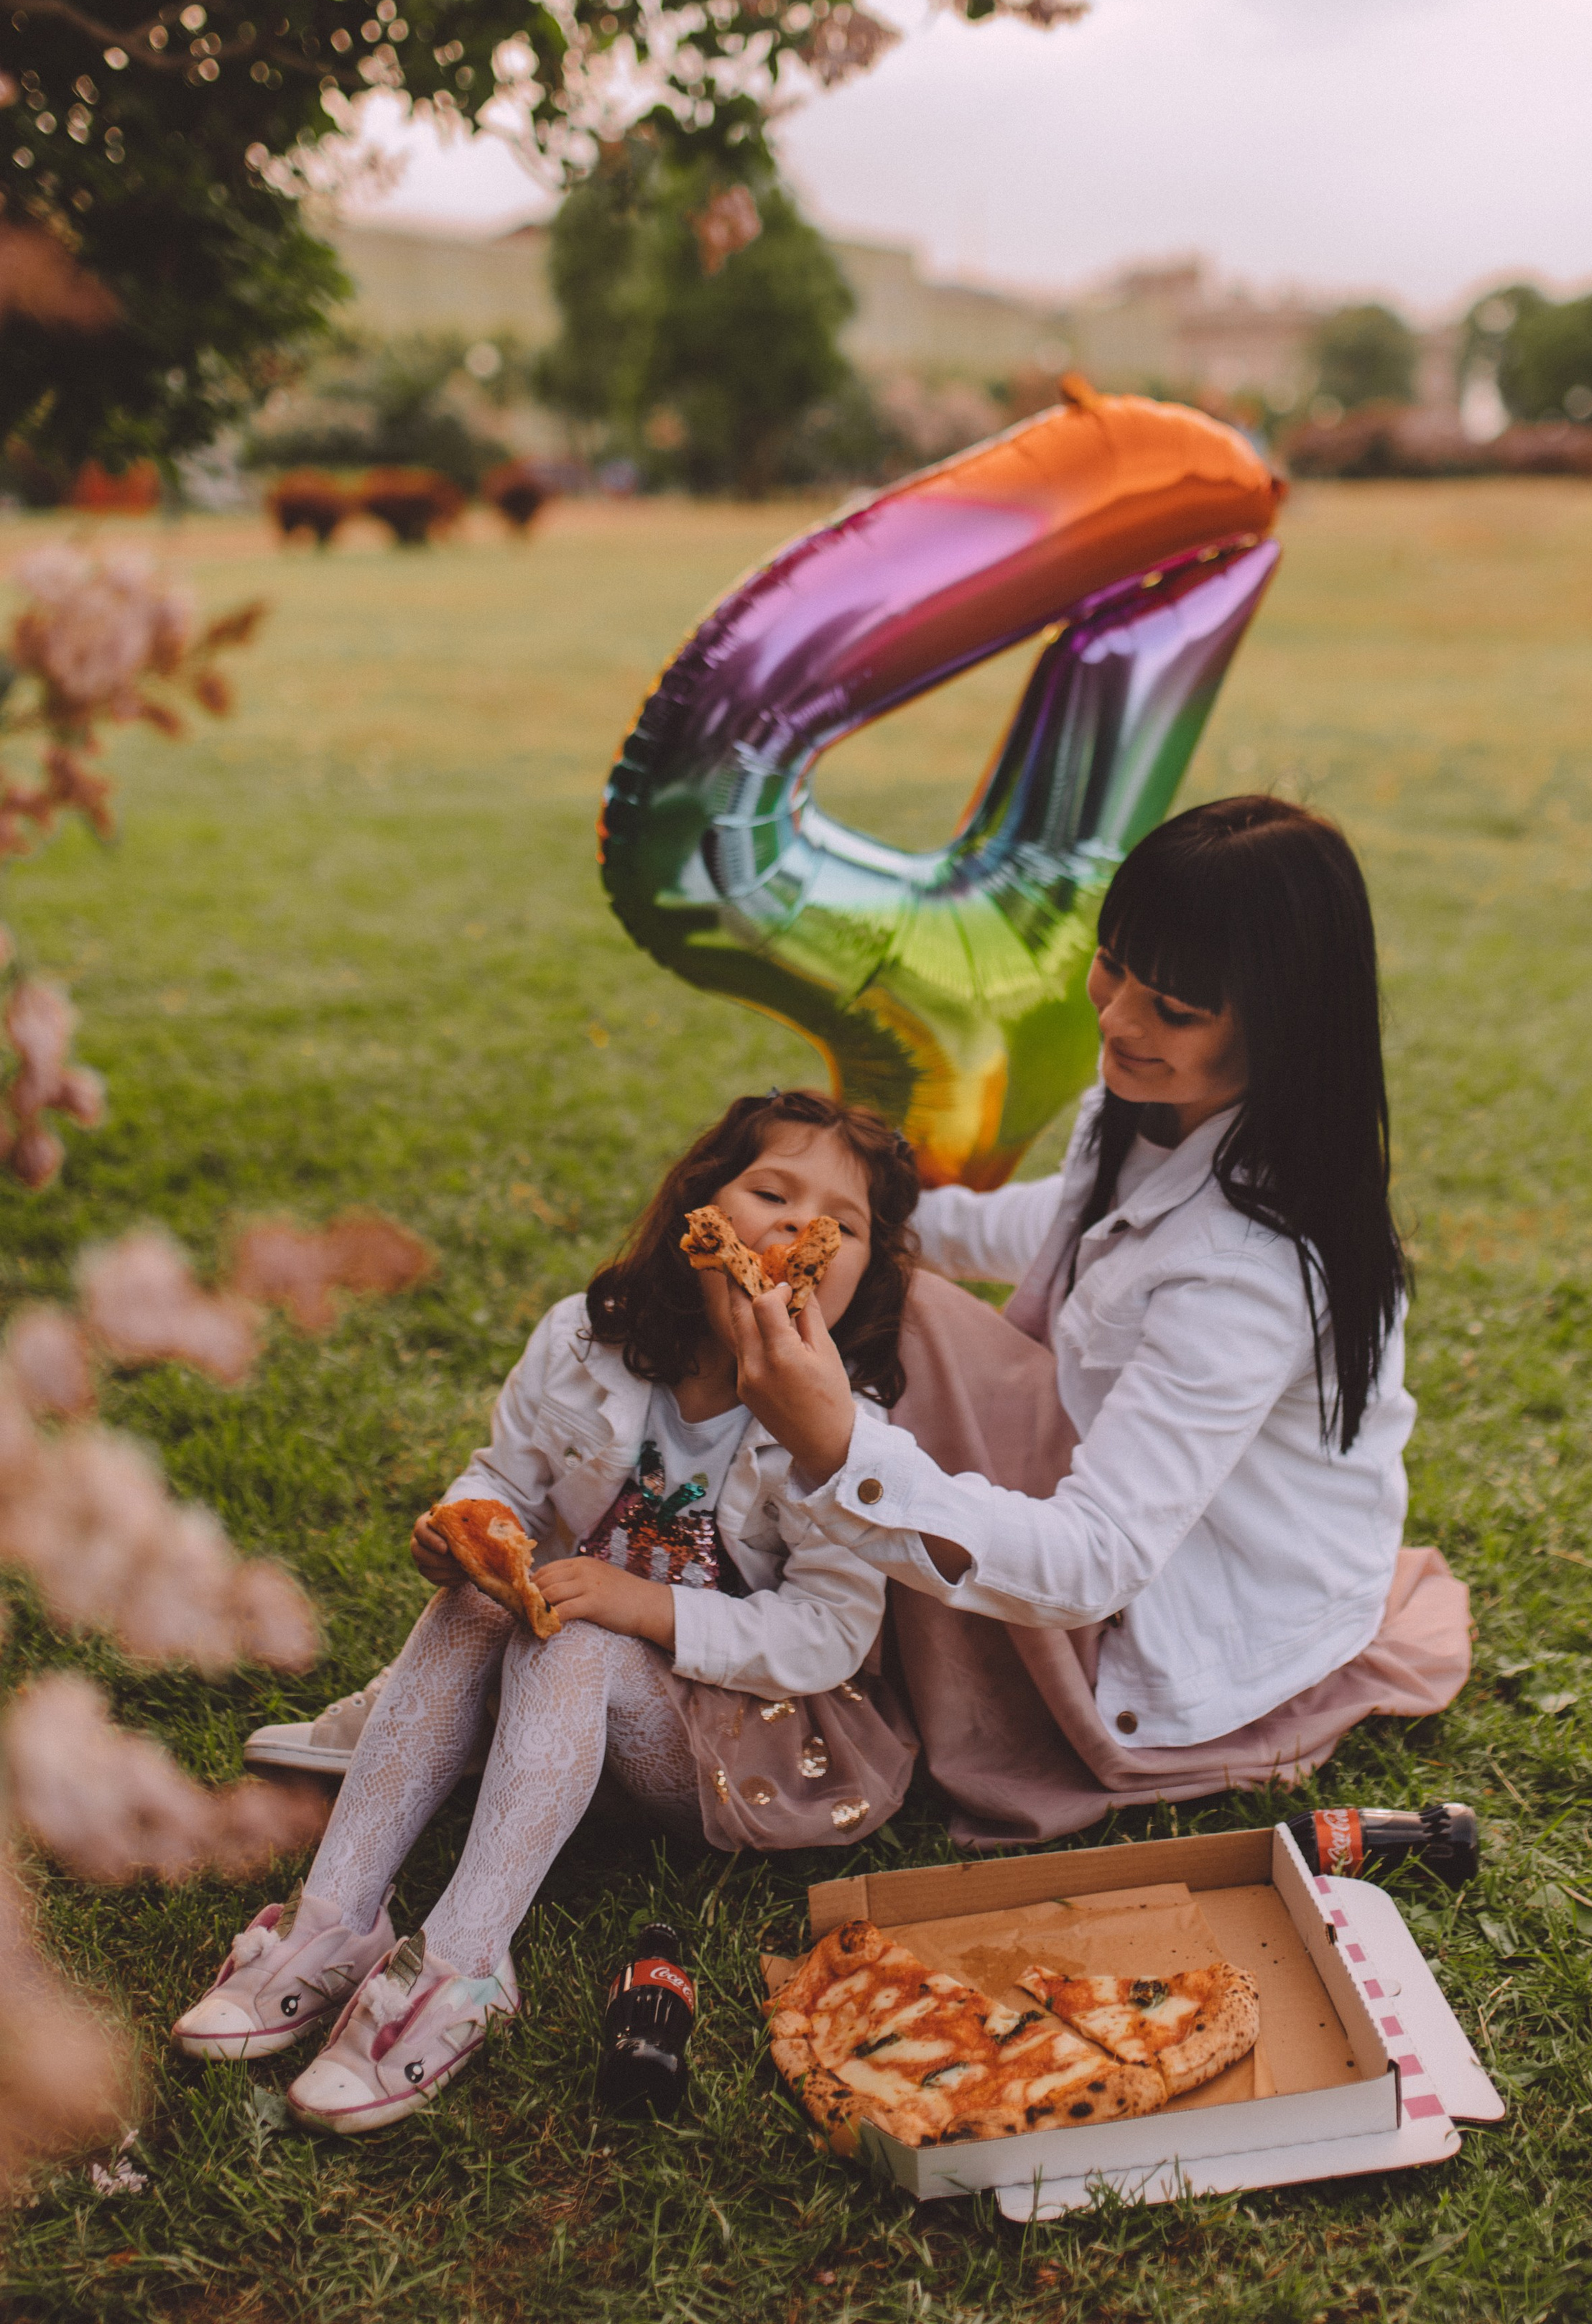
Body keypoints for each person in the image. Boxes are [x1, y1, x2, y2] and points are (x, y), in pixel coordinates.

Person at [727, 797, 1470, 1844]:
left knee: (878, 1331)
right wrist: (851, 1214)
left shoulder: (1248, 1272)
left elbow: (1098, 1560)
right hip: (1098, 1451)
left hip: (1158, 1615)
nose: (1118, 1018)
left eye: (1172, 1007)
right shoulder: (1158, 1098)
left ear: (1278, 1028)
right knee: (871, 1284)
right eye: (1112, 964)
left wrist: (839, 1449)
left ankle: (736, 1583)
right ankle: (710, 1548)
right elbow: (1066, 1222)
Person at [174, 1091, 920, 2132]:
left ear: (864, 1271)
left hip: (737, 1737)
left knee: (572, 1646)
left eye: (840, 1220)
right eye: (772, 1192)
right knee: (482, 1614)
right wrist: (462, 1525)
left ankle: (463, 1967)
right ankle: (333, 1920)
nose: (802, 1229)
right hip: (552, 1693)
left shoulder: (847, 1435)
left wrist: (641, 1603)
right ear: (699, 1212)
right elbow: (503, 1484)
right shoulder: (585, 1341)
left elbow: (829, 1633)